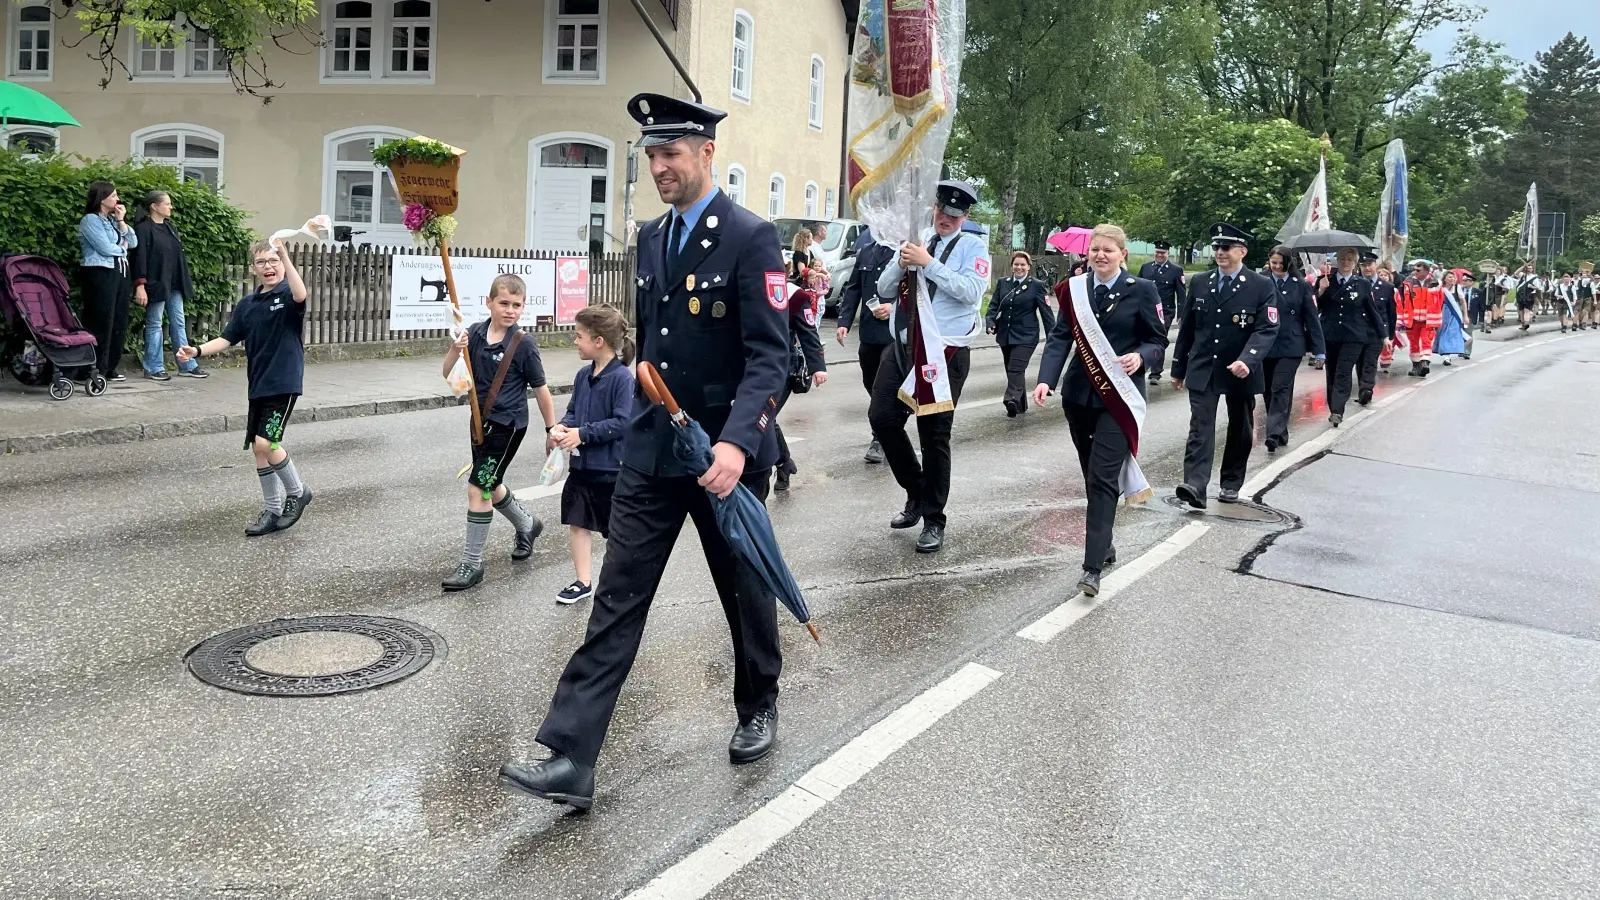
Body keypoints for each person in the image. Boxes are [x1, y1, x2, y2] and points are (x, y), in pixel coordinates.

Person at [499, 93, 790, 811]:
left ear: (706, 153)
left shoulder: (752, 237)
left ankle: (758, 702)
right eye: (652, 155)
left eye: (672, 153)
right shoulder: (652, 239)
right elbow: (652, 347)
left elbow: (769, 357)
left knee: (744, 590)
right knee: (617, 600)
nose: (660, 166)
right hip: (653, 452)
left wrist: (737, 442)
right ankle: (571, 757)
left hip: (721, 459)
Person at [1033, 224, 1166, 597]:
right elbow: (1061, 336)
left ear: (1123, 254)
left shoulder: (1142, 289)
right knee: (1092, 474)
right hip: (1079, 396)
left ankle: (1091, 569)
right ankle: (1103, 542)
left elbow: (1157, 340)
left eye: (1108, 250)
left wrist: (1141, 357)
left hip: (1119, 400)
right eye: (1095, 250)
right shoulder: (1075, 289)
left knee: (1104, 479)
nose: (1100, 255)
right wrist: (1046, 379)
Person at [870, 179, 992, 553]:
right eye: (942, 211)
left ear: (964, 216)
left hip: (944, 352)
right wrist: (902, 261)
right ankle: (916, 491)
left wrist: (929, 264)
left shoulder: (973, 246)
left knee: (934, 435)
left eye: (954, 214)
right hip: (904, 345)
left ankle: (934, 519)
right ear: (934, 209)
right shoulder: (919, 238)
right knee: (882, 418)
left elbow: (972, 292)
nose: (946, 219)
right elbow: (885, 288)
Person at [176, 238, 310, 536]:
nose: (268, 267)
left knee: (267, 444)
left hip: (283, 382)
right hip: (258, 384)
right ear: (253, 269)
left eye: (273, 261)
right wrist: (196, 351)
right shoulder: (247, 305)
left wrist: (285, 255)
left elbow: (301, 294)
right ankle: (272, 510)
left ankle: (298, 492)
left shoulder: (288, 294)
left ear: (281, 264)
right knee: (258, 450)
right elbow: (227, 339)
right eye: (261, 262)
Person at [437, 275, 555, 592]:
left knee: (478, 487)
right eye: (504, 303)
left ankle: (472, 564)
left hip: (508, 426)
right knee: (490, 482)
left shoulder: (523, 344)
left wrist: (551, 429)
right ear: (489, 302)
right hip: (480, 422)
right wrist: (455, 349)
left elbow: (541, 389)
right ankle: (528, 525)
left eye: (516, 305)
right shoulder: (475, 333)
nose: (510, 310)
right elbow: (448, 373)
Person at [1171, 223, 1278, 507]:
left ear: (1242, 251)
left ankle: (1231, 482)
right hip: (1204, 365)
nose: (1220, 252)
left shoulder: (1261, 285)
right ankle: (1195, 485)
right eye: (1216, 247)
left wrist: (1248, 359)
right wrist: (1178, 368)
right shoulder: (1201, 282)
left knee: (1240, 426)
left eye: (1226, 247)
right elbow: (1188, 328)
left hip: (1240, 368)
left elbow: (1267, 328)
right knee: (1200, 425)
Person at [552, 306, 636, 605]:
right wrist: (562, 427)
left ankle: (621, 584)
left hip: (611, 470)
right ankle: (583, 581)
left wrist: (583, 434)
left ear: (598, 341)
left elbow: (623, 422)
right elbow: (573, 411)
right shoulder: (582, 375)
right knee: (578, 522)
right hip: (581, 467)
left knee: (617, 532)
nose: (575, 341)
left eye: (579, 336)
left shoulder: (622, 378)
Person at [130, 191, 207, 381]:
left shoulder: (170, 227)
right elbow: (139, 258)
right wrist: (140, 284)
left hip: (174, 283)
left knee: (179, 323)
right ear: (154, 206)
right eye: (167, 203)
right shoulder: (143, 229)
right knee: (155, 324)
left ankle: (186, 364)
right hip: (155, 283)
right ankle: (153, 367)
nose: (171, 207)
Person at [836, 227, 896, 464]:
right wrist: (844, 322)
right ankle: (888, 423)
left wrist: (893, 308)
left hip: (893, 333)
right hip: (869, 332)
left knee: (883, 387)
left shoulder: (904, 252)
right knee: (870, 382)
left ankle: (880, 437)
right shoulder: (866, 252)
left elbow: (915, 290)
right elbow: (854, 288)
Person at [1262, 246, 1325, 451]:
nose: (1277, 267)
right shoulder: (1261, 282)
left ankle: (1273, 433)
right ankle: (1281, 431)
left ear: (1289, 263)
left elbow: (1312, 318)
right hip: (1265, 344)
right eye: (1274, 263)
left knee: (1280, 387)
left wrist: (1319, 350)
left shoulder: (1301, 285)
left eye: (1281, 263)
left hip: (1292, 345)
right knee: (1268, 389)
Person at [1315, 248, 1387, 426]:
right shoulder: (1325, 280)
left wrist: (1384, 336)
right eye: (1342, 259)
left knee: (1344, 372)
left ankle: (1338, 410)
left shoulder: (1362, 283)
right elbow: (1315, 308)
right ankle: (1333, 407)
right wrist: (1320, 291)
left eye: (1349, 260)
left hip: (1353, 336)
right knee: (1332, 372)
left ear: (1355, 263)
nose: (1345, 263)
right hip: (1330, 334)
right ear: (1337, 261)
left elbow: (1372, 311)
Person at [774, 268, 829, 491]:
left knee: (763, 418)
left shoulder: (793, 295)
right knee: (762, 420)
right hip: (745, 366)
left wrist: (818, 367)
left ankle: (780, 464)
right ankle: (783, 462)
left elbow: (808, 331)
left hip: (781, 368)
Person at [77, 181, 137, 383]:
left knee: (118, 319)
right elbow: (104, 248)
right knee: (100, 319)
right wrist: (122, 248)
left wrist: (121, 221)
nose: (117, 199)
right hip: (100, 272)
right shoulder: (90, 220)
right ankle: (92, 368)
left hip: (120, 271)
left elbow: (133, 242)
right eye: (113, 196)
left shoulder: (112, 221)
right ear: (101, 198)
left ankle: (110, 366)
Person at [985, 250, 1055, 416]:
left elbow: (1047, 314)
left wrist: (1053, 339)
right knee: (1012, 369)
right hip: (1006, 334)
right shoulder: (1003, 283)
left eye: (1023, 264)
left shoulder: (1037, 285)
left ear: (1029, 267)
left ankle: (1012, 399)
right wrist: (990, 322)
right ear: (1012, 266)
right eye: (1016, 264)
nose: (1019, 267)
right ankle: (1021, 405)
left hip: (1026, 336)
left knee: (1015, 368)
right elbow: (994, 305)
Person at [1137, 240, 1186, 384]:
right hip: (1146, 310)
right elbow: (1137, 288)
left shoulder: (1175, 270)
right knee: (1143, 338)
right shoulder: (1146, 268)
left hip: (1165, 311)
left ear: (1168, 254)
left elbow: (1181, 294)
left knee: (1158, 338)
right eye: (1158, 252)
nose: (1159, 255)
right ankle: (1141, 366)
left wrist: (1181, 314)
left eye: (1163, 253)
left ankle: (1155, 373)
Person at [1357, 251, 1396, 402]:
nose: (1367, 268)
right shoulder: (1355, 284)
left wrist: (1390, 335)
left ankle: (1367, 389)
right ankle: (1362, 389)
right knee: (1360, 361)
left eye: (1369, 265)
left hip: (1377, 332)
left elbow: (1391, 312)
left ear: (1375, 265)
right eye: (1363, 265)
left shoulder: (1387, 287)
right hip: (1358, 330)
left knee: (1370, 360)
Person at [1399, 259, 1444, 376]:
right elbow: (1404, 300)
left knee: (1426, 341)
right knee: (1413, 343)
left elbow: (1440, 300)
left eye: (1418, 270)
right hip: (1412, 319)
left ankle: (1425, 363)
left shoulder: (1436, 283)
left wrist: (1436, 317)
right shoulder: (1408, 282)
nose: (1415, 272)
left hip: (1428, 320)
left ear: (1426, 271)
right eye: (1414, 269)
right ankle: (1415, 366)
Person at [1434, 269, 1469, 364]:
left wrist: (1465, 316)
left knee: (1450, 333)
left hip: (1454, 314)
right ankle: (1446, 355)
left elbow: (1463, 302)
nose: (1452, 279)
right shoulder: (1440, 288)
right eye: (1449, 277)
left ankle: (1447, 357)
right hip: (1442, 313)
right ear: (1444, 279)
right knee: (1443, 333)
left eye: (1453, 277)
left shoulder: (1457, 288)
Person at [1514, 263, 1538, 330]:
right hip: (1521, 294)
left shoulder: (1534, 278)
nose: (1529, 269)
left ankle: (1526, 323)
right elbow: (1516, 273)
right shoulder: (1522, 275)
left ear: (1532, 269)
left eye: (1530, 268)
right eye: (1527, 268)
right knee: (1521, 310)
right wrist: (1523, 266)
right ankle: (1523, 323)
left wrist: (1532, 287)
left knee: (1527, 310)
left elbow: (1537, 287)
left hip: (1529, 295)